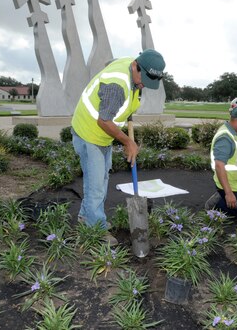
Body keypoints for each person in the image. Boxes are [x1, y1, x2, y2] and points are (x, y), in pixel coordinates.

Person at [71, 49, 166, 245]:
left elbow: (113, 64)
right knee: (96, 184)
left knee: (101, 177)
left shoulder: (132, 68)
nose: (142, 85)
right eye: (143, 80)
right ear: (135, 66)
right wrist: (128, 141)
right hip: (89, 132)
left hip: (102, 136)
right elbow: (104, 121)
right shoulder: (116, 85)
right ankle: (95, 229)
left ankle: (85, 216)